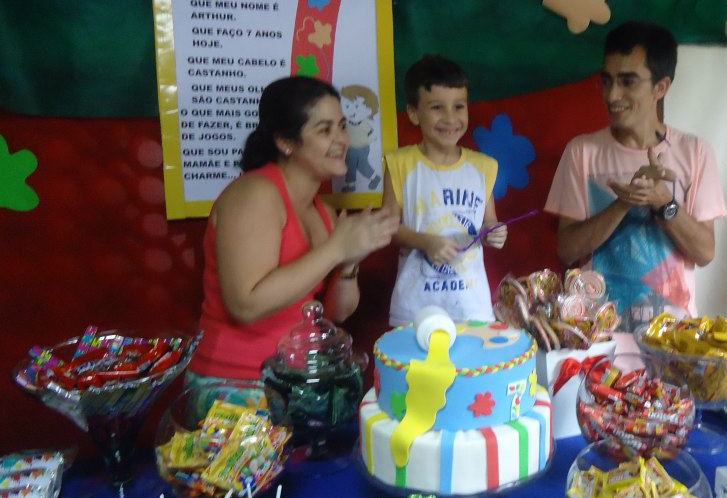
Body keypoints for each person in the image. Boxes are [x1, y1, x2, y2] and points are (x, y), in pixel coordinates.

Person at [188, 76, 400, 388]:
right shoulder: (255, 193)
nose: (342, 140)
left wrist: (351, 261)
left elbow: (335, 313)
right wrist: (336, 249)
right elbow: (245, 305)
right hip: (234, 381)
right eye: (324, 130)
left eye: (342, 126)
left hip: (296, 377)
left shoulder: (323, 211)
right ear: (286, 142)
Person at [544, 21, 726, 330]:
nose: (612, 95)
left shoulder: (695, 152)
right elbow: (567, 250)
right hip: (596, 333)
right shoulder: (582, 151)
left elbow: (705, 252)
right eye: (607, 81)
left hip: (672, 335)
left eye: (628, 82)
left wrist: (664, 202)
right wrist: (623, 204)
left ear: (661, 87)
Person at [382, 55, 506, 325]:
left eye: (459, 106)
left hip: (471, 307)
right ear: (413, 113)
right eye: (437, 107)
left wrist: (494, 233)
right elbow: (388, 229)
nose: (450, 118)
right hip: (415, 308)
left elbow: (488, 223)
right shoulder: (400, 163)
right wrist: (426, 242)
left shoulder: (484, 167)